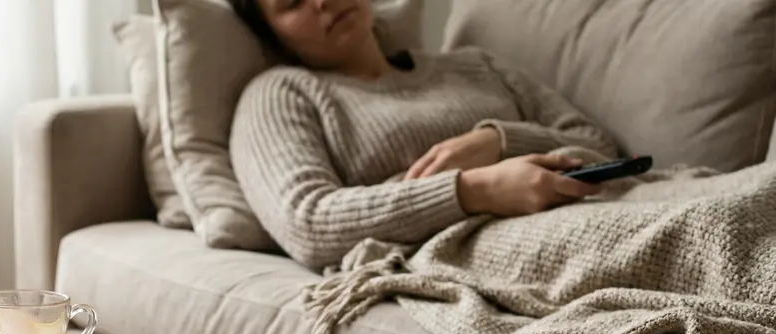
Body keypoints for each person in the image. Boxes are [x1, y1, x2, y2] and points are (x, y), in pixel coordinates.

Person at [229, 0, 620, 268]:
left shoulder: (476, 64)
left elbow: (599, 147)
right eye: (292, 2)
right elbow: (308, 223)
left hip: (603, 201)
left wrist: (497, 140)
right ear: (274, 35)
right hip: (475, 245)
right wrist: (474, 190)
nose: (320, 1)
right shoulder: (278, 93)